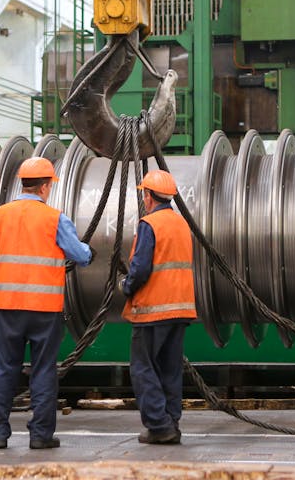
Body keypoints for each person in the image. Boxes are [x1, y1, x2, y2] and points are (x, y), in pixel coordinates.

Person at [0, 156, 92, 450]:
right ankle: (41, 436)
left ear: (22, 184)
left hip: (7, 306)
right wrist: (88, 251)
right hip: (44, 309)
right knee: (44, 370)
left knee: (2, 369)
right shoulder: (55, 219)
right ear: (45, 187)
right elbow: (80, 255)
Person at [119, 169, 196, 445]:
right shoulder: (181, 224)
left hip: (153, 310)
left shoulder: (149, 224)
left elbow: (140, 268)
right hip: (181, 309)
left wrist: (126, 286)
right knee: (170, 369)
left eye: (144, 194)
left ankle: (159, 426)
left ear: (149, 196)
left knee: (143, 368)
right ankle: (171, 423)